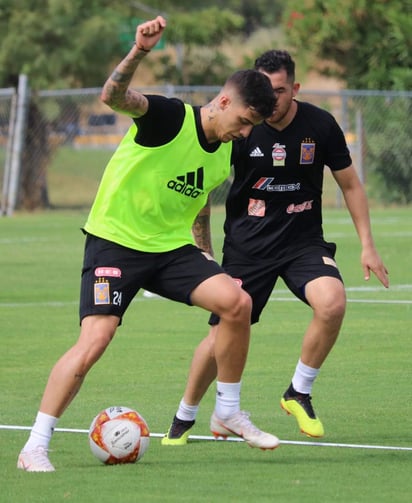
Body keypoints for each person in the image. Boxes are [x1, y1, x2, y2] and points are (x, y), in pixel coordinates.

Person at [17, 17, 279, 472]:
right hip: (115, 243)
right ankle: (35, 445)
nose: (246, 132)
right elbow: (113, 97)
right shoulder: (168, 117)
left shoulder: (226, 152)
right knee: (95, 340)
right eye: (243, 121)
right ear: (222, 101)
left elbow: (197, 203)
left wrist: (205, 254)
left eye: (253, 126)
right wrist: (139, 52)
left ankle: (228, 409)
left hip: (171, 249)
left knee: (236, 302)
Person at [162, 49, 389, 446]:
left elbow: (350, 185)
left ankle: (298, 391)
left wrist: (368, 246)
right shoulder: (243, 126)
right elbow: (203, 193)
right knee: (219, 340)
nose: (271, 100)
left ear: (295, 88)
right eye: (265, 90)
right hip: (248, 249)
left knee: (332, 301)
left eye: (280, 91)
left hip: (303, 243)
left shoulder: (320, 124)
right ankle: (186, 415)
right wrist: (205, 252)